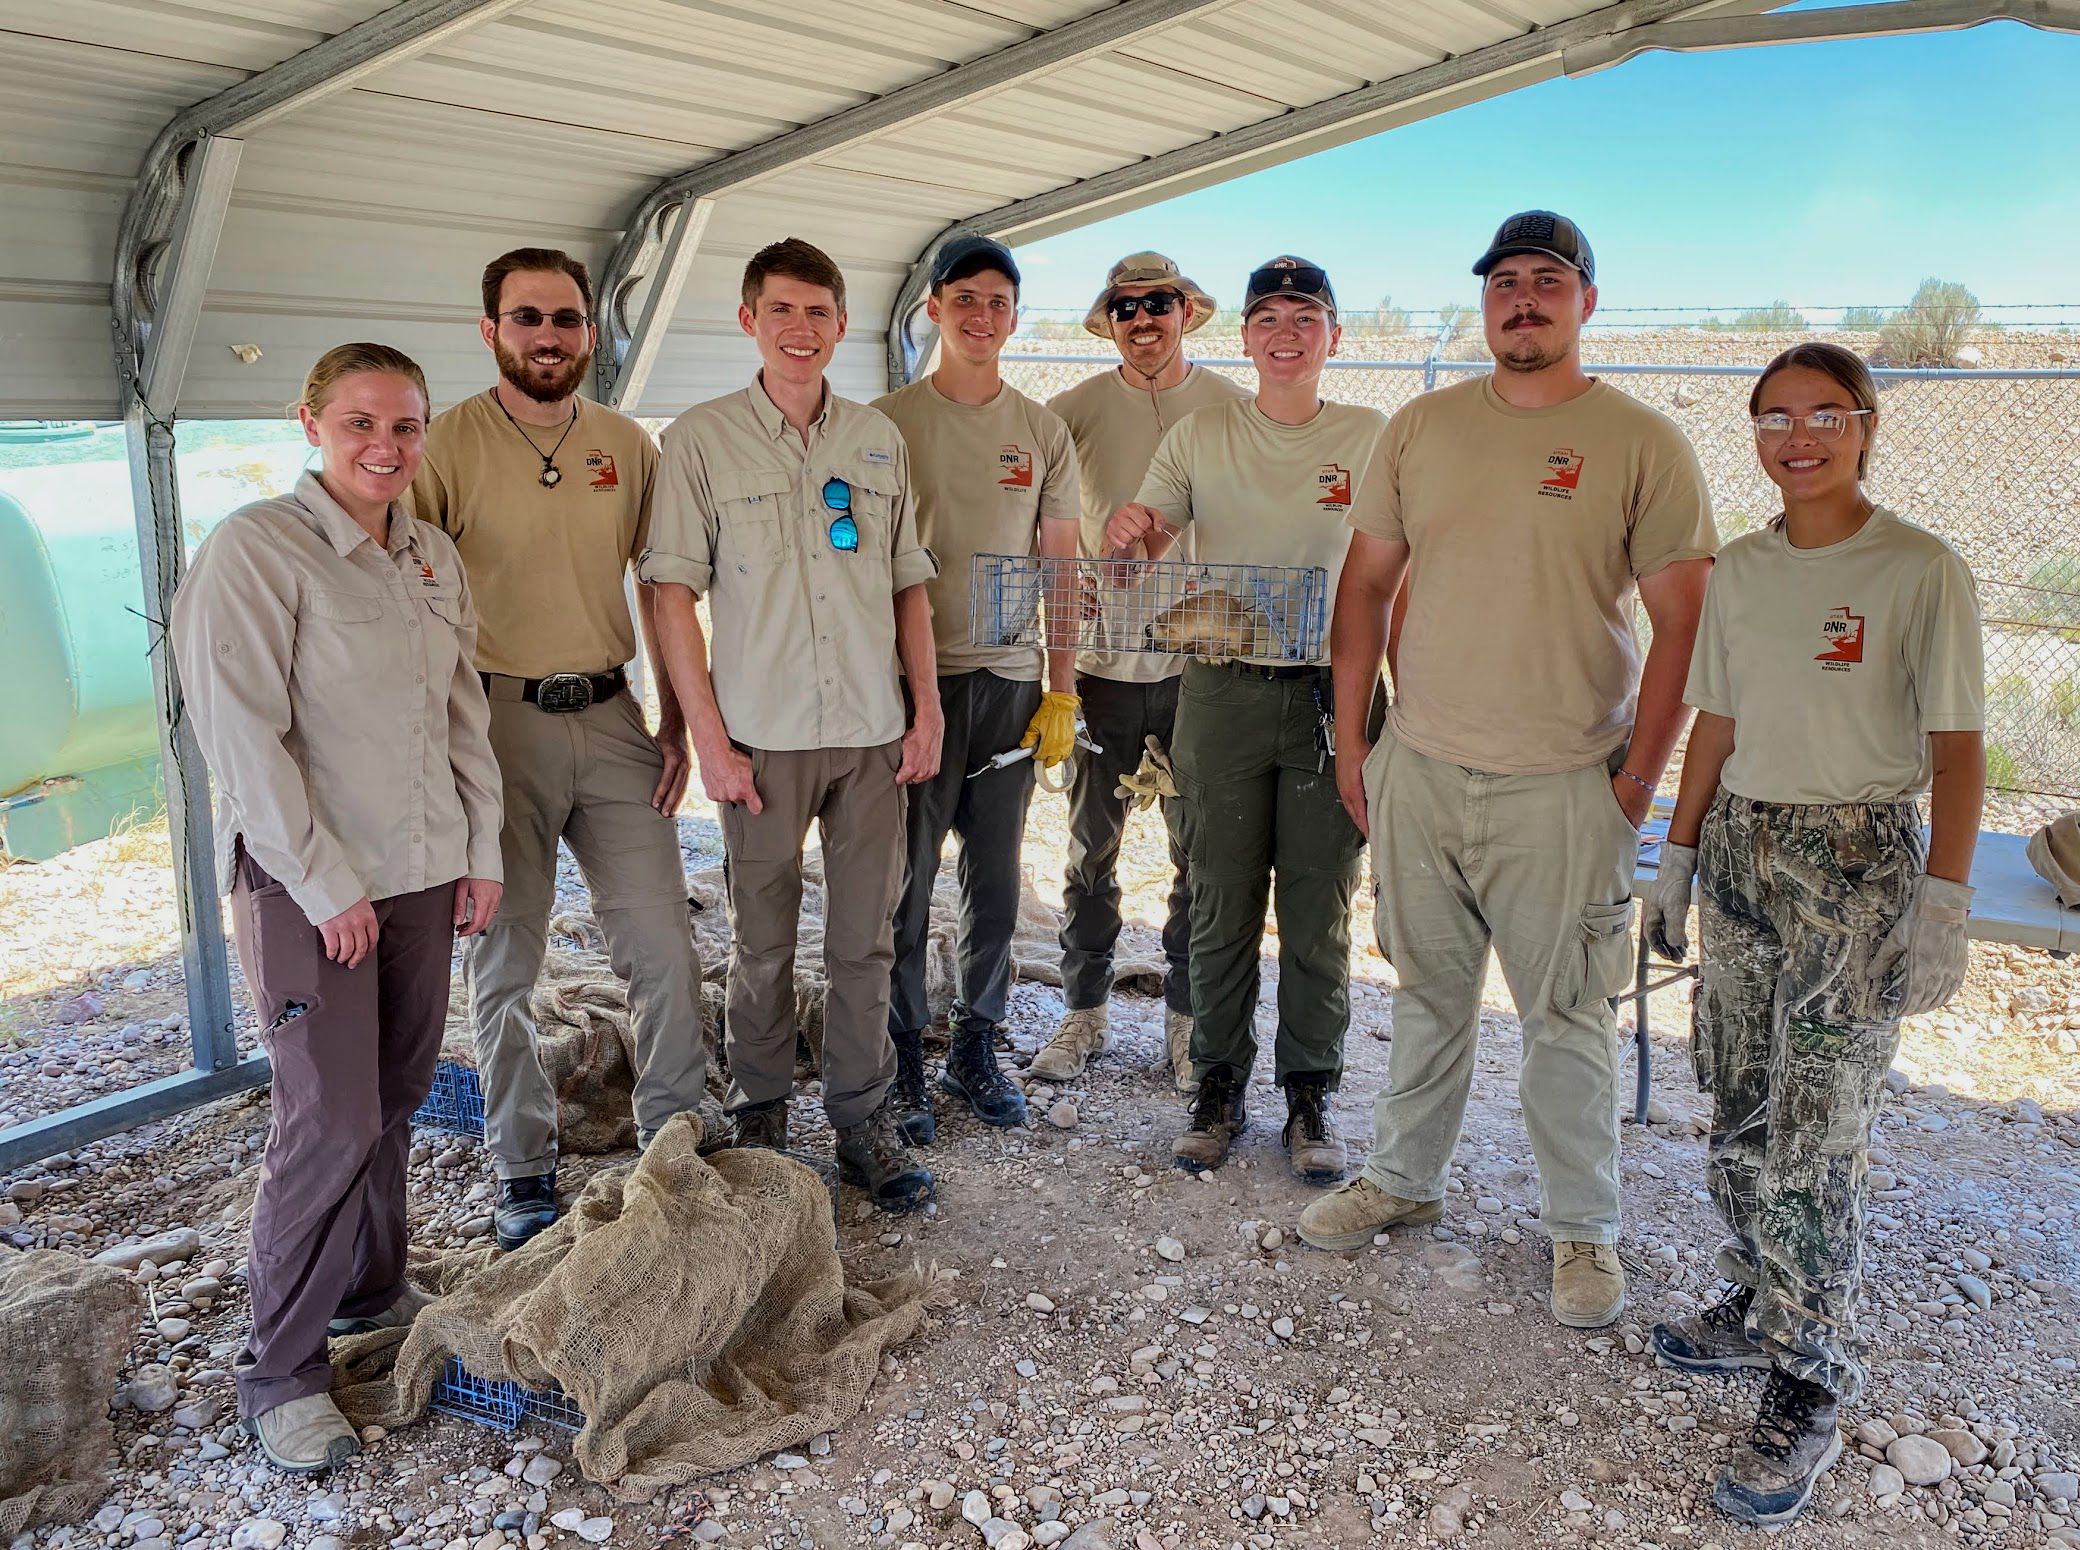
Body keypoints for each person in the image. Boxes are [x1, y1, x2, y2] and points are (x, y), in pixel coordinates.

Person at [1299, 212, 1718, 1336]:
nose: (1522, 299)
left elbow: (1684, 618)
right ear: (1482, 301)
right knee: (1426, 993)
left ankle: (1582, 1228)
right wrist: (1357, 744)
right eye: (1504, 283)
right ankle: (1403, 1175)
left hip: (1566, 781)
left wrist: (1634, 779)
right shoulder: (1421, 428)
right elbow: (1365, 589)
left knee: (1566, 1014)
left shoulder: (1640, 441)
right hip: (1424, 766)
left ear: (1586, 300)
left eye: (1547, 281)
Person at [1639, 342, 1984, 1525]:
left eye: (1823, 414)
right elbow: (1718, 715)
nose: (1797, 437)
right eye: (1773, 416)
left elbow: (1954, 748)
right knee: (1733, 1093)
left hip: (1854, 862)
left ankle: (1808, 1375)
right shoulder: (1741, 567)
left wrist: (1941, 896)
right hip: (1744, 848)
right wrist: (1678, 855)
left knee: (1819, 1128)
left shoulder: (1917, 567)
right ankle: (1754, 1294)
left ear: (1866, 424)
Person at [171, 344, 504, 1472]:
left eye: (406, 427)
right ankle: (281, 1368)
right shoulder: (256, 551)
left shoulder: (429, 555)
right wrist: (322, 884)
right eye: (361, 422)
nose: (386, 447)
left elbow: (463, 711)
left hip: (419, 870)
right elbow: (243, 738)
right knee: (325, 1116)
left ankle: (372, 1290)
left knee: (396, 1094)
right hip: (310, 883)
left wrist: (480, 848)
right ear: (310, 420)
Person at [411, 247, 705, 1252]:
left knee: (662, 944)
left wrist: (678, 721)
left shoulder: (627, 442)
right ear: (489, 328)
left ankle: (671, 1142)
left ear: (590, 332)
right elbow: (402, 607)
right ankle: (522, 1163)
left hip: (614, 713)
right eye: (527, 317)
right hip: (496, 725)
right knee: (505, 956)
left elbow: (667, 592)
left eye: (566, 319)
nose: (549, 336)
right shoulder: (442, 444)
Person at [640, 237, 940, 1210]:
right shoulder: (700, 439)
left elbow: (907, 586)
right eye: (780, 310)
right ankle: (763, 1109)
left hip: (868, 732)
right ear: (748, 321)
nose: (799, 329)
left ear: (841, 324)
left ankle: (862, 1118)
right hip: (760, 738)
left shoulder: (877, 441)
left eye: (816, 312)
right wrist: (708, 737)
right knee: (761, 940)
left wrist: (924, 708)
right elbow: (673, 594)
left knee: (865, 939)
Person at [1104, 256, 1386, 1182]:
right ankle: (1217, 1087)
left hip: (1329, 692)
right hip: (1220, 691)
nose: (1287, 334)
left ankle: (1311, 1098)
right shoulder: (1201, 436)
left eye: (1307, 317)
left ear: (1332, 338)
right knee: (1220, 899)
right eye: (1269, 318)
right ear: (1246, 338)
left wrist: (1394, 712)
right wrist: (1128, 537)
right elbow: (1143, 548)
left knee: (1318, 906)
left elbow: (1395, 584)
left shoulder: (1374, 440)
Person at [872, 234, 1082, 1142]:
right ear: (934, 309)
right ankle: (900, 1052)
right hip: (907, 686)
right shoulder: (885, 424)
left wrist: (1061, 688)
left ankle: (977, 1042)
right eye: (966, 299)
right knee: (906, 880)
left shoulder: (1040, 432)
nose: (982, 316)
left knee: (993, 879)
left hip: (1005, 680)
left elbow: (1063, 566)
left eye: (999, 301)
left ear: (1013, 315)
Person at [1029, 251, 1248, 1091]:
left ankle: (1189, 1025)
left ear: (1187, 312)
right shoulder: (1073, 412)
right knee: (1093, 846)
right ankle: (1084, 1012)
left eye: (1160, 303)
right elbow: (1033, 518)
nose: (1144, 319)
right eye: (1127, 308)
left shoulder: (1233, 406)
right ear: (1108, 321)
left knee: (1201, 854)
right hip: (1102, 666)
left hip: (1202, 664)